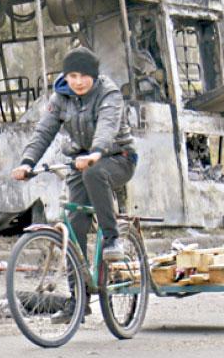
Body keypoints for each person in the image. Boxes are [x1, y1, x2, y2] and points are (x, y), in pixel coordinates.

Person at [11, 46, 136, 260]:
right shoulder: (60, 97)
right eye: (73, 76)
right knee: (75, 224)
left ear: (94, 76)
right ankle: (77, 281)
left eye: (84, 76)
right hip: (81, 161)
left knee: (94, 173)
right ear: (66, 76)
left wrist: (96, 153)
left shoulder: (109, 94)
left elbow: (107, 127)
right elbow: (44, 131)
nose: (78, 82)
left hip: (118, 157)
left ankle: (111, 238)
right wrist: (27, 162)